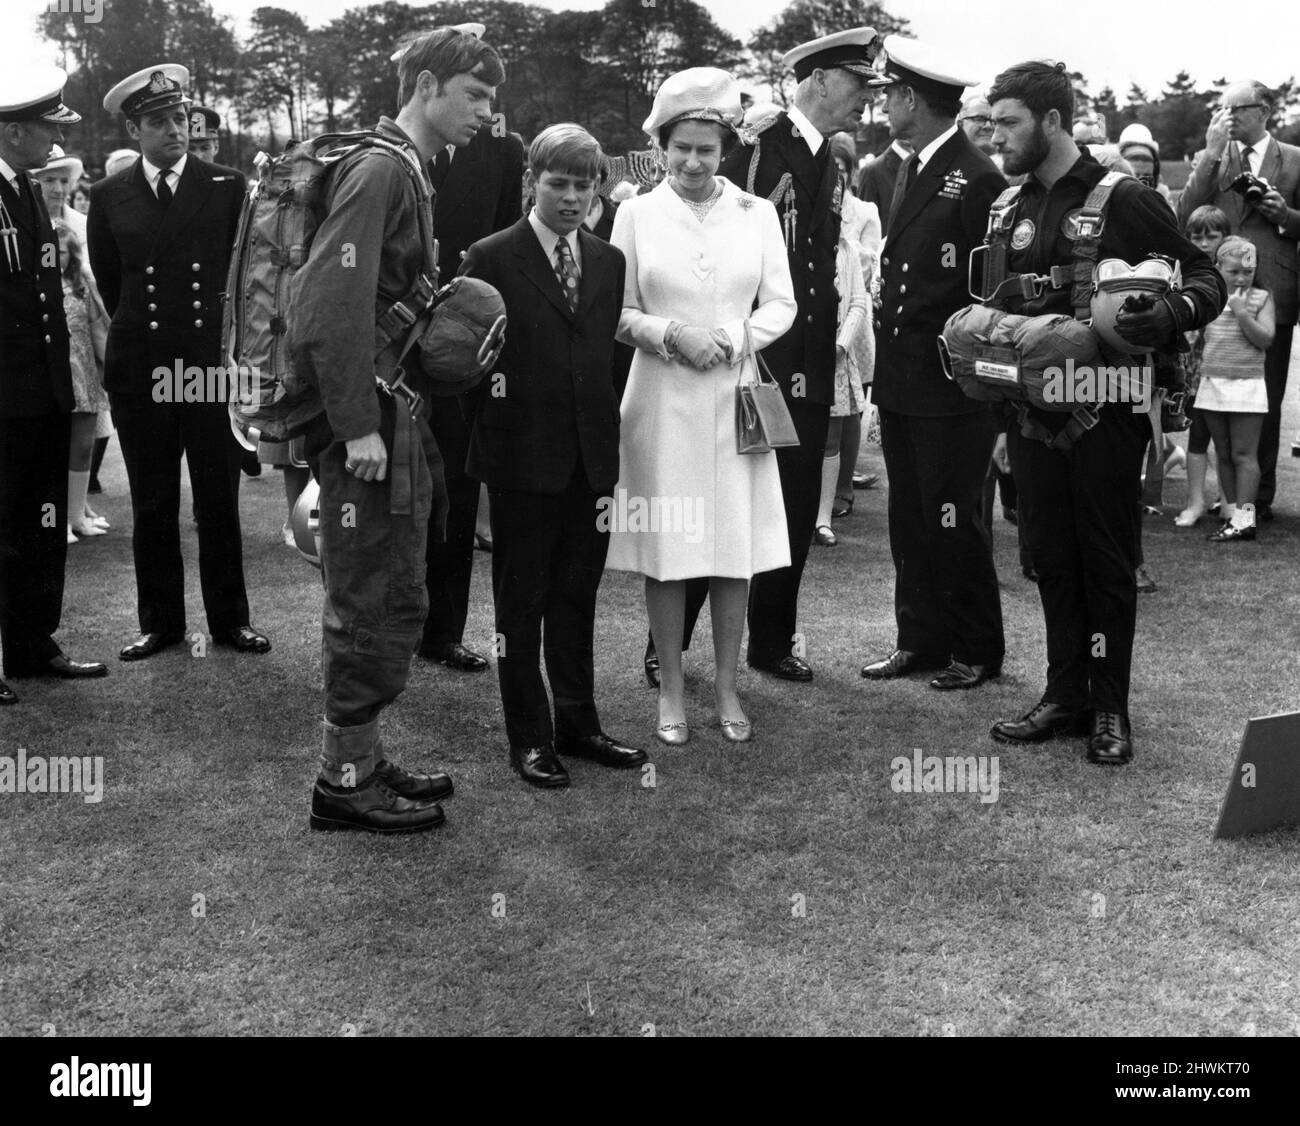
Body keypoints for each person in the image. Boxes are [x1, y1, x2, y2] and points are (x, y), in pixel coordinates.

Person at [290, 27, 505, 832]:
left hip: (391, 409)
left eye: (491, 99)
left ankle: (365, 758)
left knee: (393, 588)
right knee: (366, 594)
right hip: (368, 423)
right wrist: (355, 428)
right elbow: (327, 308)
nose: (486, 113)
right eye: (474, 95)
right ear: (424, 85)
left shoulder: (407, 167)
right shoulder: (381, 168)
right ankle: (342, 784)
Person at [984, 60, 1225, 765]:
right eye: (992, 123)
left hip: (1108, 410)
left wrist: (1175, 310)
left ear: (1052, 121)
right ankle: (1065, 696)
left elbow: (1202, 273)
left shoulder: (1126, 197)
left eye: (1009, 123)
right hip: (1031, 414)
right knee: (1051, 558)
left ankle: (1109, 707)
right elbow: (1004, 309)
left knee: (1106, 561)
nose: (997, 137)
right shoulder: (1012, 206)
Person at [608, 67, 796, 745]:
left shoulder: (757, 212)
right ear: (662, 145)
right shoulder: (634, 213)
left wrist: (731, 337)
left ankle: (725, 688)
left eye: (706, 148)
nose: (692, 160)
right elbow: (618, 310)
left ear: (726, 150)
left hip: (734, 397)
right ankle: (671, 691)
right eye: (680, 146)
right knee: (668, 547)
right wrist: (670, 334)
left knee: (731, 549)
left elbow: (782, 303)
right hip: (660, 399)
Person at [459, 123, 645, 785]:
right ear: (530, 183)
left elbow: (607, 362)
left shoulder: (607, 260)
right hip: (518, 463)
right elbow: (466, 370)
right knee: (521, 603)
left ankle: (579, 723)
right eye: (557, 182)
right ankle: (529, 737)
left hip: (590, 462)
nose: (570, 197)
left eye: (583, 184)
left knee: (576, 595)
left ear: (598, 189)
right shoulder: (489, 256)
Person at [89, 64, 269, 663]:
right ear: (136, 129)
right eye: (160, 122)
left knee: (217, 499)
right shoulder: (109, 195)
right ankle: (161, 623)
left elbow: (242, 279)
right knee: (152, 502)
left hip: (205, 367)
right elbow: (115, 286)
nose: (176, 131)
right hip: (143, 370)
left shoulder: (225, 185)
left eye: (181, 119)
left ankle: (230, 621)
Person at [718, 26, 881, 684]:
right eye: (856, 83)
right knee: (730, 502)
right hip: (760, 365)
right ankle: (663, 640)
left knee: (788, 506)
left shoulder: (831, 163)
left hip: (811, 369)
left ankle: (771, 640)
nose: (865, 99)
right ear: (817, 80)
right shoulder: (758, 149)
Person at [858, 36, 1007, 692]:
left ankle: (976, 647)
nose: (884, 103)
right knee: (910, 518)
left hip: (950, 383)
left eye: (890, 93)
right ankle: (918, 639)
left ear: (911, 100)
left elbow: (993, 290)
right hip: (902, 376)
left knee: (953, 516)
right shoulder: (915, 166)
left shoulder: (979, 177)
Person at [412, 21, 525, 676]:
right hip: (395, 352)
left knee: (455, 489)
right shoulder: (390, 151)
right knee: (393, 495)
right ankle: (388, 629)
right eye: (470, 91)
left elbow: (500, 255)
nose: (480, 111)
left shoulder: (503, 155)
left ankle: (443, 631)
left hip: (460, 351)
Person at [0, 66, 108, 706]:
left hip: (41, 392)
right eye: (46, 128)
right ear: (13, 132)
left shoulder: (24, 191)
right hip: (4, 397)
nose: (55, 140)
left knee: (40, 524)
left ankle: (33, 644)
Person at [1176, 81, 1300, 523]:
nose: (1227, 117)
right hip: (1216, 296)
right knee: (1214, 396)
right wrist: (1209, 154)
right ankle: (1228, 496)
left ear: (1263, 110)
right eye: (1221, 109)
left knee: (1266, 395)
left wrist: (1284, 216)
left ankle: (1258, 498)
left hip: (1274, 293)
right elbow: (1184, 212)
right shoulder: (1216, 158)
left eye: (1237, 109)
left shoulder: (1295, 158)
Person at [815, 130, 874, 546]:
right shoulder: (795, 244)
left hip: (837, 354)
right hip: (803, 354)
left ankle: (823, 516)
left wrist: (840, 342)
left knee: (834, 435)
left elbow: (858, 301)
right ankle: (797, 514)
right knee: (801, 435)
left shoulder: (848, 249)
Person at [1196, 236, 1274, 541]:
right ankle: (1233, 515)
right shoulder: (1210, 299)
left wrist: (1242, 313)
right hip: (1212, 381)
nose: (1242, 277)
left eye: (1248, 271)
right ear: (1218, 268)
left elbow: (1266, 339)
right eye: (1234, 271)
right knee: (1223, 452)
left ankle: (1246, 520)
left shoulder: (1262, 298)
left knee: (1244, 454)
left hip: (1247, 385)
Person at [1174, 205, 1232, 526]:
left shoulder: (1236, 272)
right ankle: (1195, 501)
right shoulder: (1185, 273)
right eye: (1197, 236)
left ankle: (1228, 502)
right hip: (1196, 375)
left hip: (1226, 371)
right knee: (1197, 438)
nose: (1205, 242)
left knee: (1227, 442)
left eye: (1212, 236)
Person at [54, 222, 111, 541]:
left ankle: (76, 516)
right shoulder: (34, 284)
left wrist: (108, 370)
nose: (54, 256)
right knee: (54, 450)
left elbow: (99, 330)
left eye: (61, 251)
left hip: (84, 376)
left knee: (82, 448)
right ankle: (55, 519)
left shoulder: (81, 286)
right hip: (54, 380)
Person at [959, 93, 997, 159]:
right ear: (960, 124)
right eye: (979, 119)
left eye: (994, 121)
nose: (988, 126)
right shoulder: (943, 162)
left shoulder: (1015, 166)